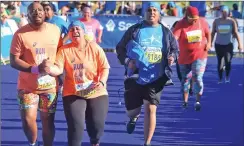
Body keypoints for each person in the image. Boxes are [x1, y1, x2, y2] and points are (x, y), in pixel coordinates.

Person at [116, 2, 178, 146]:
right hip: (135, 76)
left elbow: (175, 50)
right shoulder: (135, 30)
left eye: (155, 10)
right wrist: (127, 61)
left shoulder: (166, 32)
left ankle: (147, 142)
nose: (152, 13)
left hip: (156, 76)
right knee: (132, 111)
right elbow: (120, 48)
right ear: (144, 13)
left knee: (151, 108)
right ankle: (133, 118)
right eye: (149, 10)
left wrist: (172, 58)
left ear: (159, 13)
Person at [43, 20, 110, 146]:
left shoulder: (94, 47)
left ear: (84, 32)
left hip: (96, 91)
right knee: (76, 127)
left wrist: (102, 81)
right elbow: (58, 68)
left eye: (78, 29)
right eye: (72, 30)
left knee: (96, 126)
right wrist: (49, 69)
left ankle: (95, 142)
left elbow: (104, 67)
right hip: (73, 92)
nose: (75, 32)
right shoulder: (64, 50)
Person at [9, 2, 62, 146]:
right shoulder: (20, 34)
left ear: (45, 13)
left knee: (47, 120)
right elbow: (14, 61)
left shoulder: (55, 30)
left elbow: (61, 54)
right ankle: (33, 143)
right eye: (32, 11)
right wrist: (35, 69)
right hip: (27, 86)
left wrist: (60, 73)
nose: (37, 12)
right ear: (28, 15)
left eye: (40, 10)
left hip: (50, 86)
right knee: (27, 119)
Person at [173, 6, 211, 111]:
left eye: (196, 18)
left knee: (197, 77)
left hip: (200, 55)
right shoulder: (180, 24)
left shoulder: (202, 22)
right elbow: (174, 37)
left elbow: (208, 33)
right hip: (184, 57)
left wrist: (209, 44)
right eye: (192, 18)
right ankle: (185, 101)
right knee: (185, 79)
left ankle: (197, 101)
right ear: (187, 16)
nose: (195, 20)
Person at [211, 5, 243, 83]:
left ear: (228, 12)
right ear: (220, 12)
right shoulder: (216, 21)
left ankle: (227, 77)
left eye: (226, 12)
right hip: (219, 45)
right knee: (220, 63)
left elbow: (236, 33)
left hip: (228, 45)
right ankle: (220, 78)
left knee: (228, 62)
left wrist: (240, 44)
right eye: (222, 12)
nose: (224, 14)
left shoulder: (231, 21)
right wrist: (210, 43)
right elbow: (212, 33)